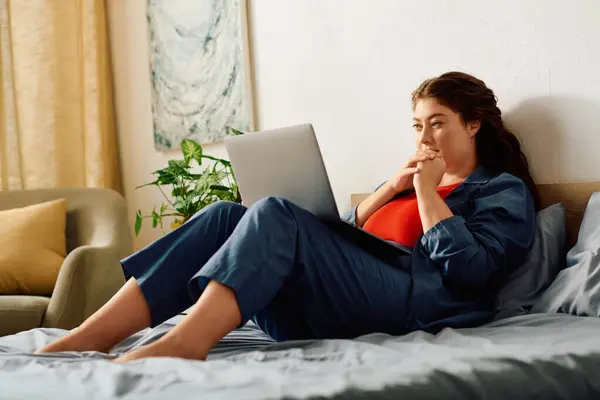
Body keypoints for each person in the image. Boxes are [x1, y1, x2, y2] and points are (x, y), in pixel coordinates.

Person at [36, 72, 537, 362]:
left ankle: (187, 343)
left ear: (473, 125)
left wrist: (430, 195)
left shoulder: (500, 191)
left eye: (438, 124)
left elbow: (470, 271)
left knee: (274, 213)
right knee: (224, 215)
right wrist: (390, 188)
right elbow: (341, 238)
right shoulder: (407, 184)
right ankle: (91, 335)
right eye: (417, 126)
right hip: (328, 307)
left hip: (410, 308)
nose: (425, 137)